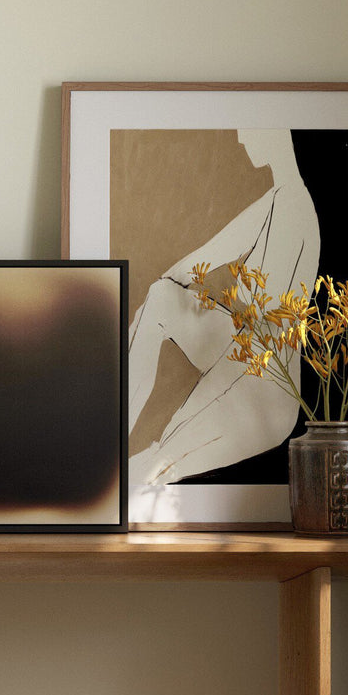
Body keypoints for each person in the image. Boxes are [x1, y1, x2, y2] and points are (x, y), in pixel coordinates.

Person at [127, 129, 319, 485]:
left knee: (152, 466)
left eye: (249, 127)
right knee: (159, 298)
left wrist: (202, 296)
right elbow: (198, 260)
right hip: (242, 356)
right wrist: (163, 291)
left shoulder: (296, 207)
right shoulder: (276, 199)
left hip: (263, 386)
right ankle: (110, 434)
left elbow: (267, 322)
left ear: (274, 128)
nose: (243, 139)